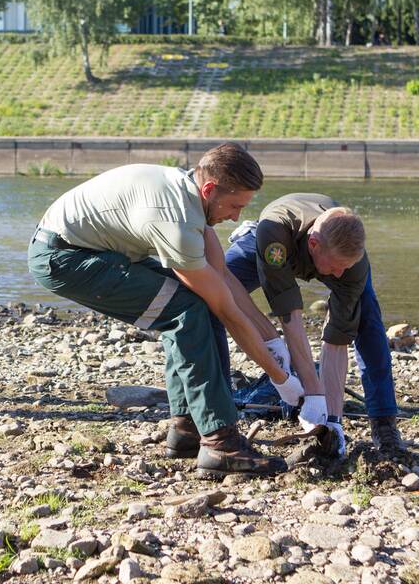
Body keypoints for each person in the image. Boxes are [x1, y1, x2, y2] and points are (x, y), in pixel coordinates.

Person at [27, 143, 305, 478]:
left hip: (90, 249)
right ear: (210, 189)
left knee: (194, 306)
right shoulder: (176, 220)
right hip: (64, 259)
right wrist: (282, 380)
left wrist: (272, 341)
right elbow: (227, 311)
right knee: (186, 312)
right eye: (234, 206)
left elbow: (222, 277)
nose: (236, 217)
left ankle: (188, 429)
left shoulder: (189, 194)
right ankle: (221, 442)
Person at [213, 194, 408, 460]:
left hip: (330, 249)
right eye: (338, 268)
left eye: (345, 267)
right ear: (314, 244)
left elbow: (336, 340)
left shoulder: (350, 266)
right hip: (271, 243)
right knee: (212, 292)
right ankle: (215, 412)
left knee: (368, 319)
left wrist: (332, 418)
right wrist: (309, 386)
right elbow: (289, 316)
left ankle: (384, 422)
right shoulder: (274, 234)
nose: (340, 275)